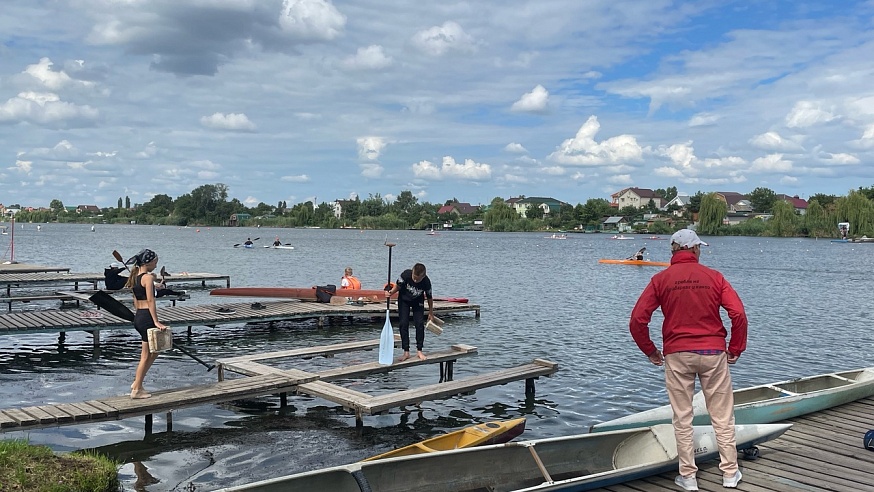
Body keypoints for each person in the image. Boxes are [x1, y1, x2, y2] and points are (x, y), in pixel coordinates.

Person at [628, 229, 747, 491]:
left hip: (677, 354)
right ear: (693, 250)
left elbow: (637, 320)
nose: (700, 251)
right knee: (723, 417)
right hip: (713, 354)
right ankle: (729, 473)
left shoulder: (660, 279)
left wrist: (650, 351)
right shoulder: (714, 277)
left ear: (674, 251)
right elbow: (737, 313)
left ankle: (689, 477)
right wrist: (736, 347)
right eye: (699, 248)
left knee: (682, 418)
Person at [124, 248, 168, 399]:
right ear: (148, 262)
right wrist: (156, 321)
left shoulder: (135, 277)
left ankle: (137, 382)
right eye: (155, 261)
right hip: (147, 317)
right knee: (145, 355)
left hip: (139, 316)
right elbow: (151, 300)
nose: (156, 264)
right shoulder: (147, 278)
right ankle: (136, 389)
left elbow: (136, 301)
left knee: (155, 351)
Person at [386, 263, 434, 361]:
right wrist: (390, 293)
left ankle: (419, 350)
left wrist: (431, 313)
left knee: (419, 324)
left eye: (418, 279)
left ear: (423, 276)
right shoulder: (405, 275)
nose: (415, 280)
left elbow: (429, 297)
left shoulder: (426, 282)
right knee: (403, 324)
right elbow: (397, 287)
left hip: (418, 302)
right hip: (404, 301)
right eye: (414, 278)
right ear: (412, 272)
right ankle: (406, 352)